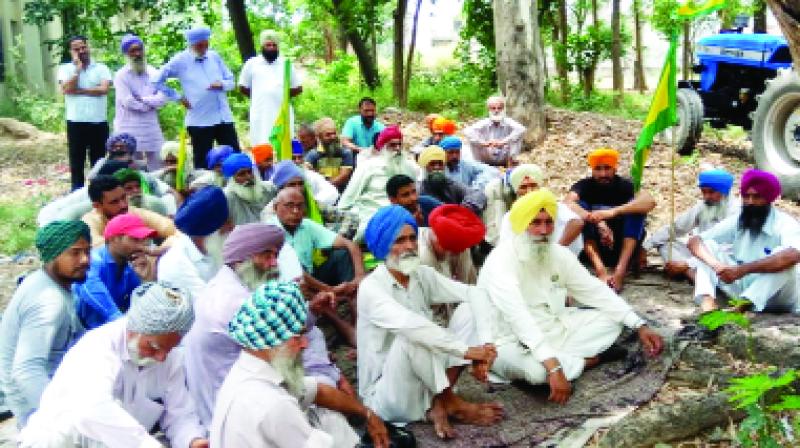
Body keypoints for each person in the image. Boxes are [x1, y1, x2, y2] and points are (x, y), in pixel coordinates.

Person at [474, 189, 663, 401]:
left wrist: (639, 325)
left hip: (555, 328)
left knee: (614, 320)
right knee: (538, 373)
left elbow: (593, 290)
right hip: (509, 340)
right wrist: (553, 367)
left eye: (549, 223)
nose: (544, 231)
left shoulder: (558, 254)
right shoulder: (501, 261)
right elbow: (518, 317)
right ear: (520, 226)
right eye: (535, 223)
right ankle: (588, 361)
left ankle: (567, 361)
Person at [358, 205, 503, 439]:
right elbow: (412, 327)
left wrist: (485, 346)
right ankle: (450, 402)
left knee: (468, 309)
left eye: (412, 238)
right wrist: (466, 351)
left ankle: (439, 399)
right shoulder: (371, 288)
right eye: (398, 241)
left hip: (426, 376)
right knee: (414, 333)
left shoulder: (421, 275)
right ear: (383, 247)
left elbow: (477, 294)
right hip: (389, 393)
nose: (408, 247)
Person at [19, 282, 207, 448]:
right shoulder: (97, 348)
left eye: (168, 349)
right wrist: (145, 444)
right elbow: (92, 410)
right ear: (135, 327)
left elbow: (179, 413)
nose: (161, 357)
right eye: (154, 346)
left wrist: (192, 439)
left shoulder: (169, 359)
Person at [210, 281, 389, 447]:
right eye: (297, 337)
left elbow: (318, 391)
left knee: (328, 417)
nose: (305, 344)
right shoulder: (272, 404)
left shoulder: (248, 369)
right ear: (270, 342)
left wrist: (368, 414)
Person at [182, 223, 306, 428]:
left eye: (276, 255)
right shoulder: (233, 300)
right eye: (266, 256)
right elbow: (288, 340)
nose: (274, 263)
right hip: (232, 414)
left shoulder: (225, 282)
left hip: (233, 399)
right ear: (241, 260)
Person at [0, 221, 90, 427]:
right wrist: (62, 421)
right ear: (52, 255)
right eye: (74, 253)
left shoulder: (53, 285)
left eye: (87, 251)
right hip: (37, 411)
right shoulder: (48, 302)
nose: (84, 260)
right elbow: (26, 371)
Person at [688, 169, 800, 313]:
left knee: (784, 259)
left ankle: (742, 307)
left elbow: (793, 255)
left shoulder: (785, 223)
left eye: (757, 197)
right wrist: (716, 265)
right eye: (746, 196)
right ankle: (707, 302)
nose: (750, 202)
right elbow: (695, 241)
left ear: (769, 199)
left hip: (778, 296)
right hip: (742, 286)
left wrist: (741, 270)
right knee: (707, 246)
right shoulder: (739, 219)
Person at [565, 148, 655, 292]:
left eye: (607, 168)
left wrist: (612, 212)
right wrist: (596, 220)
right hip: (595, 246)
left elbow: (649, 202)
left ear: (615, 168)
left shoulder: (625, 185)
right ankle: (601, 271)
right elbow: (568, 203)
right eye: (598, 169)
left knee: (636, 210)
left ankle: (620, 272)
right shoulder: (584, 186)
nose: (603, 174)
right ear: (592, 170)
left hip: (622, 247)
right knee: (580, 210)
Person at [154, 26, 239, 170]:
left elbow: (231, 81)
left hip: (223, 116)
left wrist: (222, 84)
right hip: (200, 120)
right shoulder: (180, 60)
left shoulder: (214, 56)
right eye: (200, 45)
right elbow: (156, 80)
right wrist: (178, 97)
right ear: (191, 44)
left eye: (206, 44)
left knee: (234, 156)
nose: (204, 48)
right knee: (202, 161)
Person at [269, 188, 365, 305]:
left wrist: (359, 277)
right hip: (287, 282)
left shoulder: (306, 225)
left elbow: (350, 244)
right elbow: (296, 271)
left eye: (300, 206)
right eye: (289, 206)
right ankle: (331, 299)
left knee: (342, 254)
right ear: (275, 208)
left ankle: (354, 301)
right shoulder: (270, 231)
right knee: (299, 279)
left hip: (312, 277)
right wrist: (329, 289)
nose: (295, 211)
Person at [644, 168, 740, 281]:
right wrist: (644, 247)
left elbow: (729, 250)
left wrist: (687, 264)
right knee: (666, 243)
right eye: (703, 192)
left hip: (723, 260)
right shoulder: (703, 206)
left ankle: (695, 277)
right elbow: (676, 228)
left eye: (711, 192)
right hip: (698, 254)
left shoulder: (737, 212)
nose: (706, 197)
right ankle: (694, 275)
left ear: (725, 192)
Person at [73, 213, 157, 330]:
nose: (141, 246)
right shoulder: (94, 260)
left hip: (106, 330)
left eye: (143, 240)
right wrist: (121, 322)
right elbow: (89, 286)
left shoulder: (129, 266)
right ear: (114, 239)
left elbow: (141, 308)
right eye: (135, 239)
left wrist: (146, 280)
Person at [338, 127, 418, 239]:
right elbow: (349, 197)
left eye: (400, 144)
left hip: (404, 215)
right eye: (393, 145)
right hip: (372, 215)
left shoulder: (409, 167)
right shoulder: (368, 166)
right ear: (383, 147)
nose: (397, 149)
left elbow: (416, 195)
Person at [58, 35, 113, 190]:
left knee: (99, 159)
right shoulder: (65, 69)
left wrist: (79, 90)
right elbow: (67, 89)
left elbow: (103, 90)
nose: (82, 51)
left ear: (88, 47)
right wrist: (77, 70)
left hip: (98, 121)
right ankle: (77, 190)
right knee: (77, 160)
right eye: (77, 49)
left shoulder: (101, 68)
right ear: (71, 52)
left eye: (84, 47)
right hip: (76, 121)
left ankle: (99, 190)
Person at [158, 186, 229, 301]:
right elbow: (211, 307)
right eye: (225, 225)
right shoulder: (175, 264)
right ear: (208, 233)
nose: (231, 227)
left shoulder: (213, 245)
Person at [496, 164, 584, 255]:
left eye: (533, 185)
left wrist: (557, 250)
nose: (529, 191)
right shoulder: (510, 216)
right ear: (516, 190)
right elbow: (505, 246)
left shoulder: (553, 206)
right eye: (523, 187)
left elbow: (577, 222)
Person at [113, 34, 170, 171]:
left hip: (150, 126)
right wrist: (151, 103)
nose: (137, 53)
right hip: (128, 126)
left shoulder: (154, 72)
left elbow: (163, 97)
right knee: (131, 165)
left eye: (139, 49)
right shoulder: (121, 75)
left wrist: (143, 99)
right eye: (133, 51)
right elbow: (128, 102)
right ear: (126, 53)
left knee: (158, 162)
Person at [239, 29, 302, 145]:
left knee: (283, 145)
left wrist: (280, 96)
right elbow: (243, 87)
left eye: (274, 45)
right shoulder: (252, 63)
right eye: (268, 45)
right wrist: (260, 95)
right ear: (262, 46)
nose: (272, 48)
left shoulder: (286, 64)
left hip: (282, 114)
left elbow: (298, 88)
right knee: (261, 145)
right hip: (260, 112)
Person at [82, 175, 178, 249]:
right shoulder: (89, 222)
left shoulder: (131, 212)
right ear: (97, 206)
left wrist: (163, 249)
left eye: (124, 197)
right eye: (114, 202)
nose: (123, 205)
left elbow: (173, 229)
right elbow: (100, 248)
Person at [419, 204, 485, 284]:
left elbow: (469, 284)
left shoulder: (458, 245)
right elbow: (439, 292)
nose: (455, 254)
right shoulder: (423, 255)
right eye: (453, 251)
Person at [417, 145, 487, 216]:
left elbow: (477, 194)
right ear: (425, 167)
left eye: (440, 164)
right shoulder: (418, 188)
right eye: (432, 164)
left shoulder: (450, 184)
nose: (437, 167)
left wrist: (464, 209)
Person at [463, 95, 525, 166]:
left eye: (499, 108)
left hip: (504, 156)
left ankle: (511, 163)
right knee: (472, 138)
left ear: (503, 109)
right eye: (493, 108)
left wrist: (503, 142)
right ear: (489, 110)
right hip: (486, 156)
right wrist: (483, 143)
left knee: (517, 136)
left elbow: (521, 129)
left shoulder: (508, 121)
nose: (496, 111)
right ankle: (477, 164)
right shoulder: (484, 122)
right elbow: (467, 131)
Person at [222, 153, 278, 225]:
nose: (248, 177)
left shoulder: (269, 189)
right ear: (231, 179)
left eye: (250, 172)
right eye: (241, 174)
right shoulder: (226, 198)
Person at [304, 117, 355, 191]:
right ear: (319, 137)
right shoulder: (313, 154)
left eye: (334, 133)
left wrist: (324, 187)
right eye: (328, 135)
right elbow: (305, 171)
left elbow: (344, 176)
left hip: (342, 194)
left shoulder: (345, 152)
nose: (333, 137)